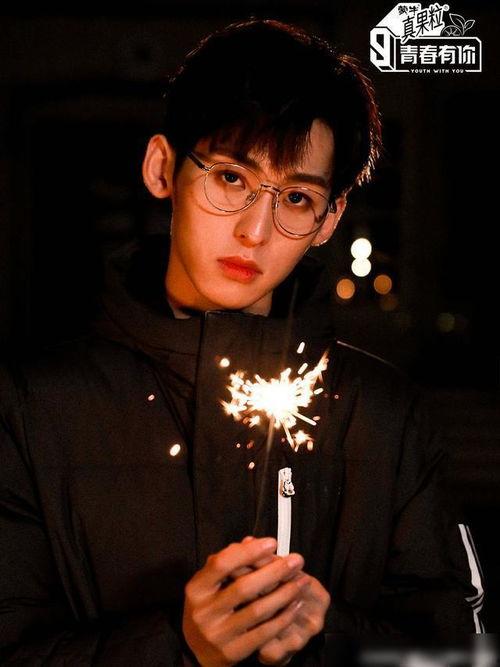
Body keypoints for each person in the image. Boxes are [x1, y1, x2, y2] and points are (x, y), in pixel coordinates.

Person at [0, 18, 485, 666]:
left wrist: (327, 635)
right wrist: (178, 645)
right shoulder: (33, 409)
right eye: (231, 178)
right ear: (162, 167)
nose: (256, 230)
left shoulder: (385, 415)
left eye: (296, 197)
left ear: (329, 219)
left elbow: (457, 649)